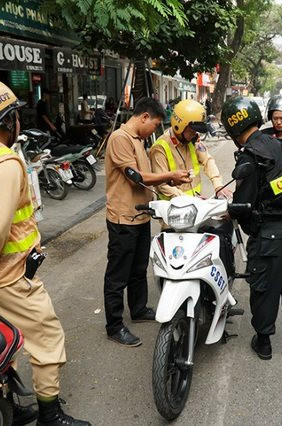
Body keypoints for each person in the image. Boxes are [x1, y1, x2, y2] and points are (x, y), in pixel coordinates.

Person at [0, 80, 90, 426]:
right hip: (8, 274)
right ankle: (50, 416)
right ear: (9, 121)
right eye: (16, 116)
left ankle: (9, 404)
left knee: (2, 339)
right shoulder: (5, 163)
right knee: (47, 338)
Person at [221, 96, 282, 363]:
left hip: (271, 234)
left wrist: (229, 210)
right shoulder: (278, 144)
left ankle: (264, 344)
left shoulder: (251, 154)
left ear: (234, 129)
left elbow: (243, 205)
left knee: (264, 288)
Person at [104, 97, 191, 347]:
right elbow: (135, 177)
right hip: (123, 218)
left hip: (141, 214)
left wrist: (169, 181)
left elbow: (146, 179)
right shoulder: (120, 138)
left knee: (139, 267)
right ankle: (114, 325)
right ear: (143, 117)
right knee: (118, 274)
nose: (155, 130)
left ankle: (139, 308)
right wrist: (169, 175)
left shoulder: (138, 140)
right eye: (154, 124)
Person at [149, 99, 231, 201]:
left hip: (194, 207)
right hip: (173, 210)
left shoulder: (192, 141)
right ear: (179, 126)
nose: (195, 133)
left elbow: (207, 160)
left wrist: (218, 185)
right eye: (192, 130)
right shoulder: (160, 148)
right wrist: (189, 199)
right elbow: (162, 185)